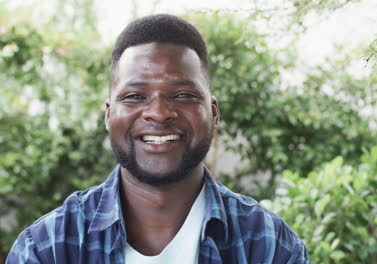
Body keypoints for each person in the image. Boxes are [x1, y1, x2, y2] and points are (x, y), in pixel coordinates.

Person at [6, 14, 309, 264]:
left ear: (213, 112)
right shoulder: (48, 248)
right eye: (135, 96)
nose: (159, 113)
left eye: (183, 95)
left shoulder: (270, 247)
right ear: (109, 115)